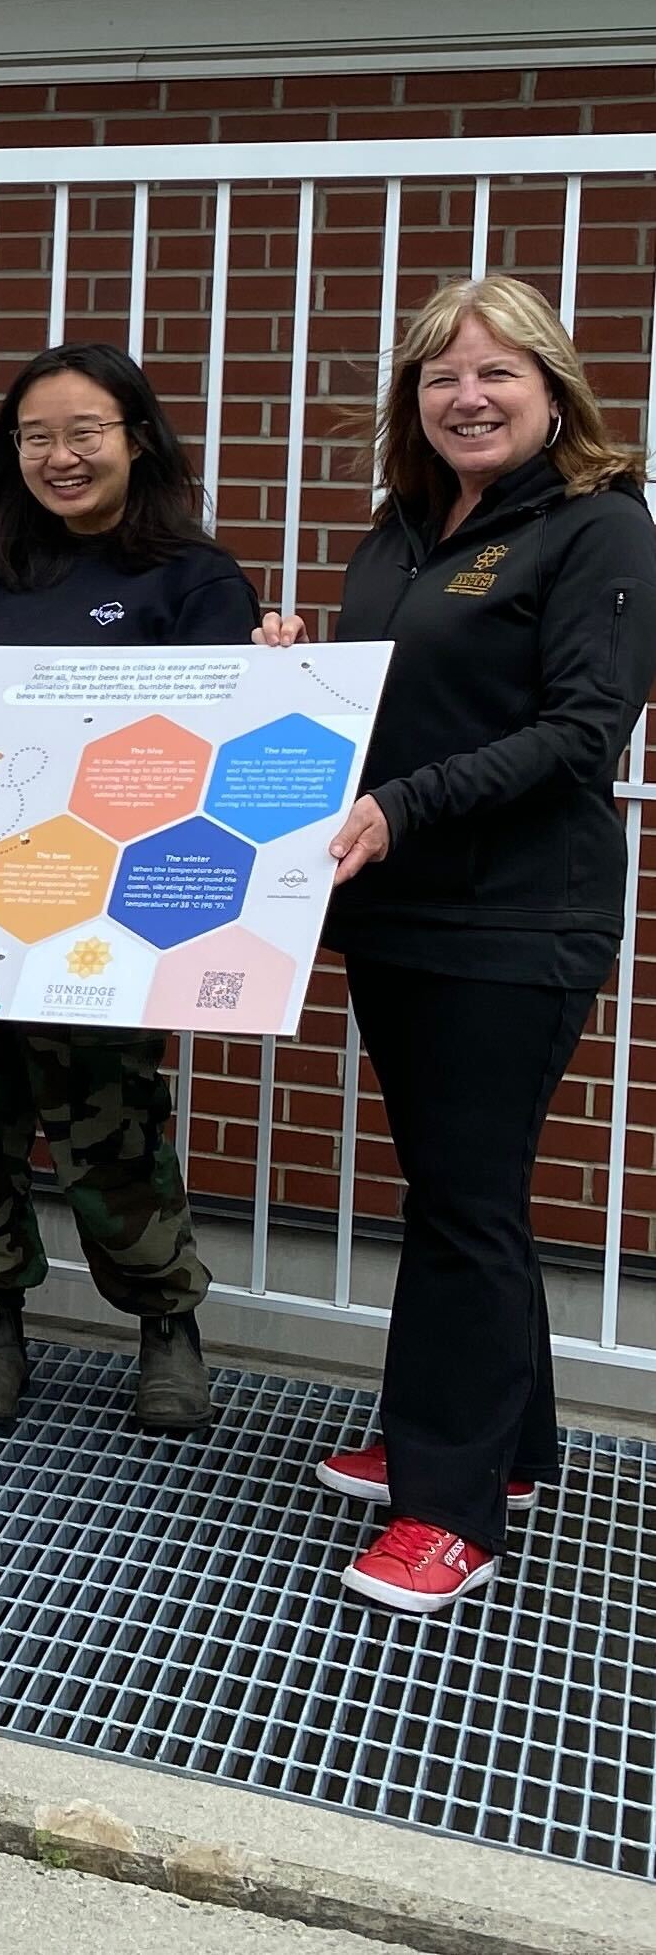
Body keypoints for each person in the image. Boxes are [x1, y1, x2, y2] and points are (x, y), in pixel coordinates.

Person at [257, 278, 656, 1616]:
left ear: (553, 391)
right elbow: (393, 704)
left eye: (496, 372)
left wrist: (401, 805)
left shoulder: (601, 526)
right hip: (400, 907)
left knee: (466, 1201)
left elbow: (579, 731)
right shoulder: (404, 532)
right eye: (438, 376)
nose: (466, 396)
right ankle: (504, 1446)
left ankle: (451, 1506)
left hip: (515, 916)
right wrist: (291, 670)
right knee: (454, 1188)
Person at [0, 340, 255, 1437]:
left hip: (113, 914)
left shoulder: (196, 579)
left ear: (136, 437)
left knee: (109, 1124)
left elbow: (217, 753)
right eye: (35, 437)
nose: (59, 456)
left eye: (83, 433)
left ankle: (165, 1327)